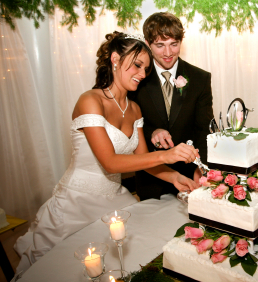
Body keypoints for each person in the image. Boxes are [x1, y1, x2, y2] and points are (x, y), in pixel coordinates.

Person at [13, 31, 199, 276]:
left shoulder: (134, 108)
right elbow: (110, 162)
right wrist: (167, 155)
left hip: (114, 200)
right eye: (137, 66)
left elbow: (143, 161)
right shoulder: (90, 101)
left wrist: (176, 178)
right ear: (114, 59)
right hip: (76, 203)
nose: (143, 74)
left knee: (127, 262)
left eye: (146, 69)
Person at [130, 12, 214, 200]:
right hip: (150, 178)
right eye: (160, 45)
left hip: (190, 176)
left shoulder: (200, 78)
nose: (168, 53)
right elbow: (128, 125)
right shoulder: (135, 78)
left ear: (181, 42)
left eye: (173, 44)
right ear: (147, 43)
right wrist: (152, 132)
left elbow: (204, 130)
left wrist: (201, 169)